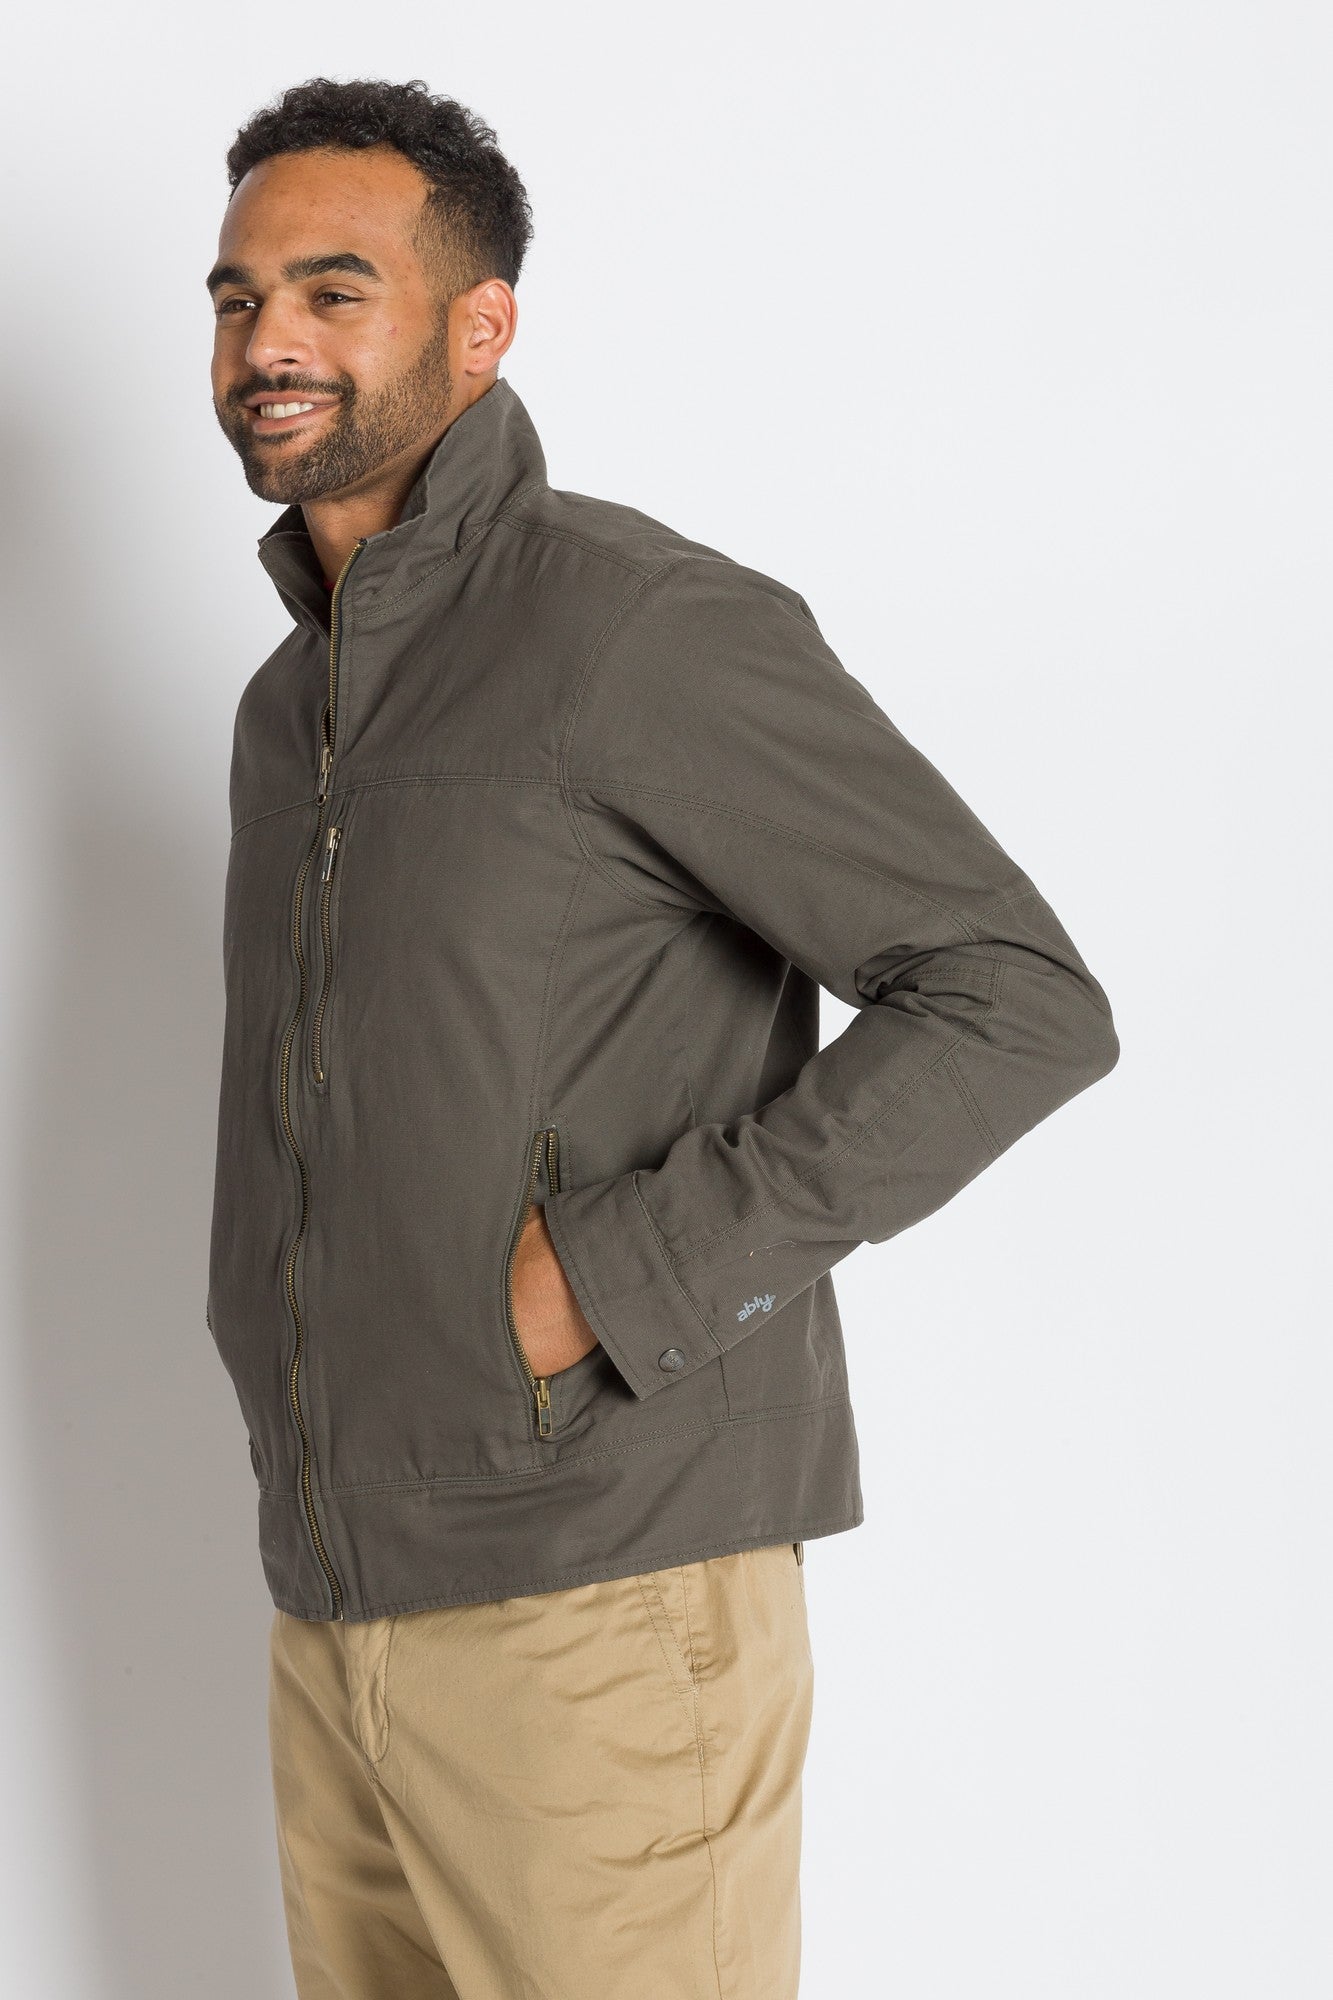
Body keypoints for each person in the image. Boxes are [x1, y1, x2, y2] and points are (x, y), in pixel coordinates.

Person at [205, 75, 1119, 2000]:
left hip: (598, 1600)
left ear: (480, 327)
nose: (268, 338)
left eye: (332, 290)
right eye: (238, 296)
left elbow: (1012, 994)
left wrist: (625, 1277)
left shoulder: (634, 629)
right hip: (334, 1605)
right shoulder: (292, 707)